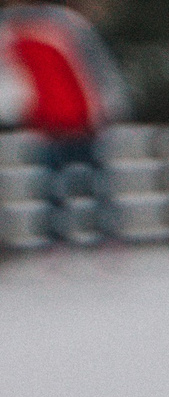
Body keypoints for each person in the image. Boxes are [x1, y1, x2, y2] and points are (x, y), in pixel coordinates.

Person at [0, 0, 125, 245]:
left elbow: (93, 67)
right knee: (71, 183)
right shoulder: (53, 25)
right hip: (58, 119)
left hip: (68, 118)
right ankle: (86, 236)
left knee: (70, 183)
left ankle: (77, 236)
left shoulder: (53, 25)